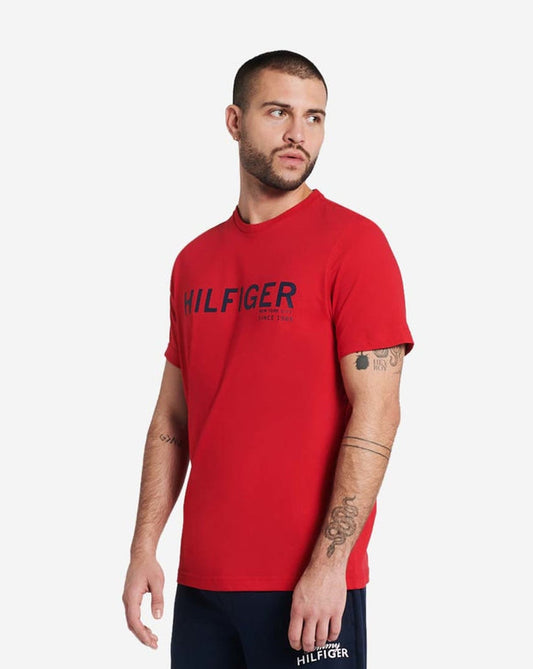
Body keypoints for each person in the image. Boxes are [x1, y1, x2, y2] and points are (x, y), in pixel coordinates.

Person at [122, 49, 414, 669]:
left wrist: (330, 566)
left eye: (314, 117)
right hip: (203, 585)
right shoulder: (194, 261)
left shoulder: (355, 245)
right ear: (234, 121)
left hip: (307, 588)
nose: (297, 134)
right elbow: (172, 418)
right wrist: (144, 546)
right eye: (278, 112)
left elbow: (378, 413)